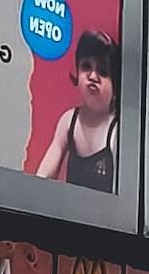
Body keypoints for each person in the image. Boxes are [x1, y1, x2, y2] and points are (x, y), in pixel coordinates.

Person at [34, 32, 119, 189]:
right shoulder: (69, 121)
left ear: (116, 88)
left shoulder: (117, 132)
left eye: (103, 71)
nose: (93, 76)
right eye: (86, 66)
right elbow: (42, 178)